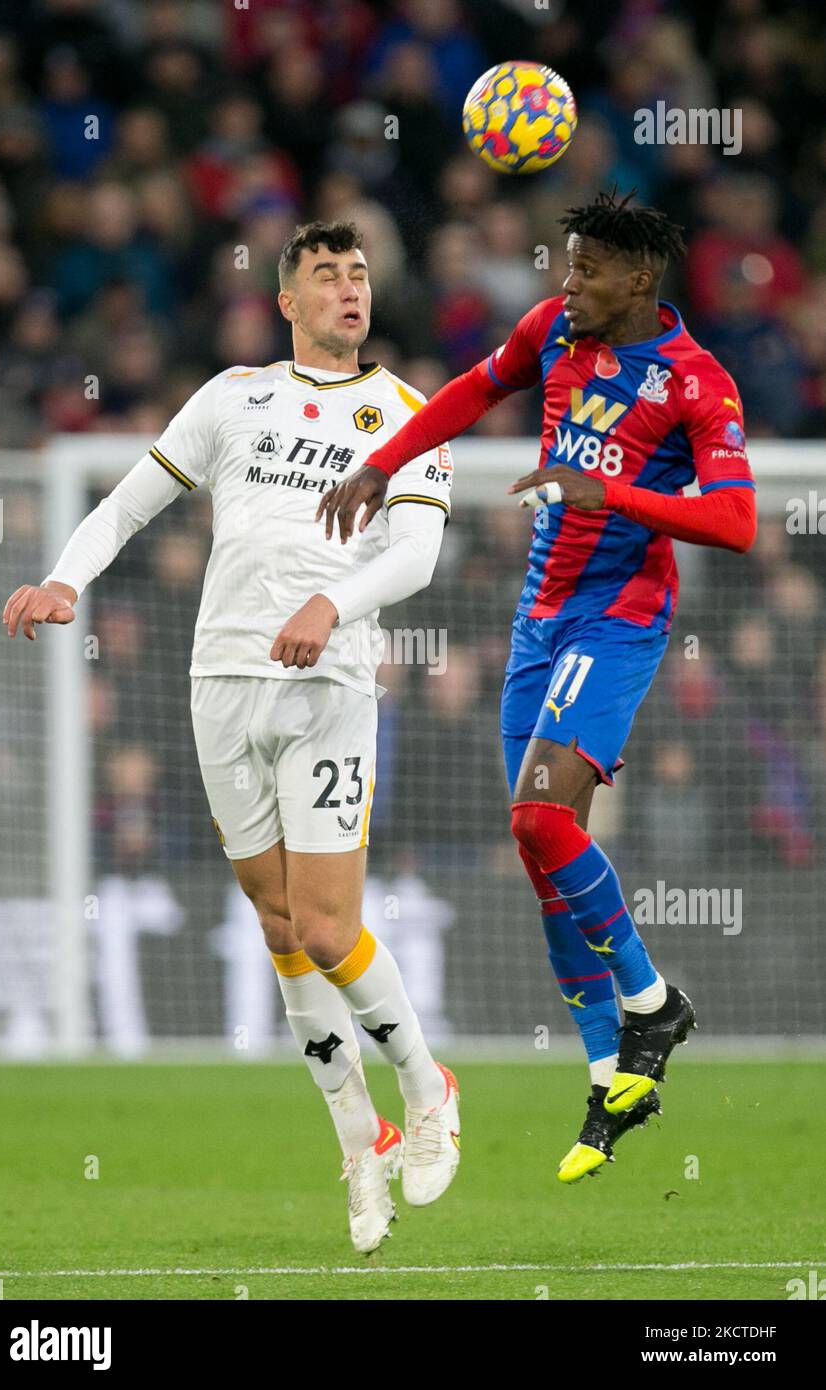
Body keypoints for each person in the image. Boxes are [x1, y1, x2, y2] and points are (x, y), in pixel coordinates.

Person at [2, 221, 460, 1251]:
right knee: (280, 927)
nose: (349, 290)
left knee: (331, 926)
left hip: (328, 684)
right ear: (285, 301)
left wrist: (331, 607)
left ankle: (429, 1090)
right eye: (325, 277)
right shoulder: (231, 397)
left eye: (359, 275)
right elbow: (126, 503)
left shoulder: (404, 413)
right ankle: (359, 1140)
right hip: (220, 682)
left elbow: (418, 560)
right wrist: (66, 576)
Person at [316, 190, 757, 1183]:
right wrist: (383, 463)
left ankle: (652, 1004)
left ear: (637, 280)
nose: (568, 283)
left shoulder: (696, 383)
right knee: (537, 848)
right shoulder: (552, 331)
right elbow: (474, 388)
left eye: (588, 269)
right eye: (566, 264)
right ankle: (610, 1076)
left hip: (620, 614)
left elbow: (733, 522)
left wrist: (617, 494)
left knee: (540, 824)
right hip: (537, 617)